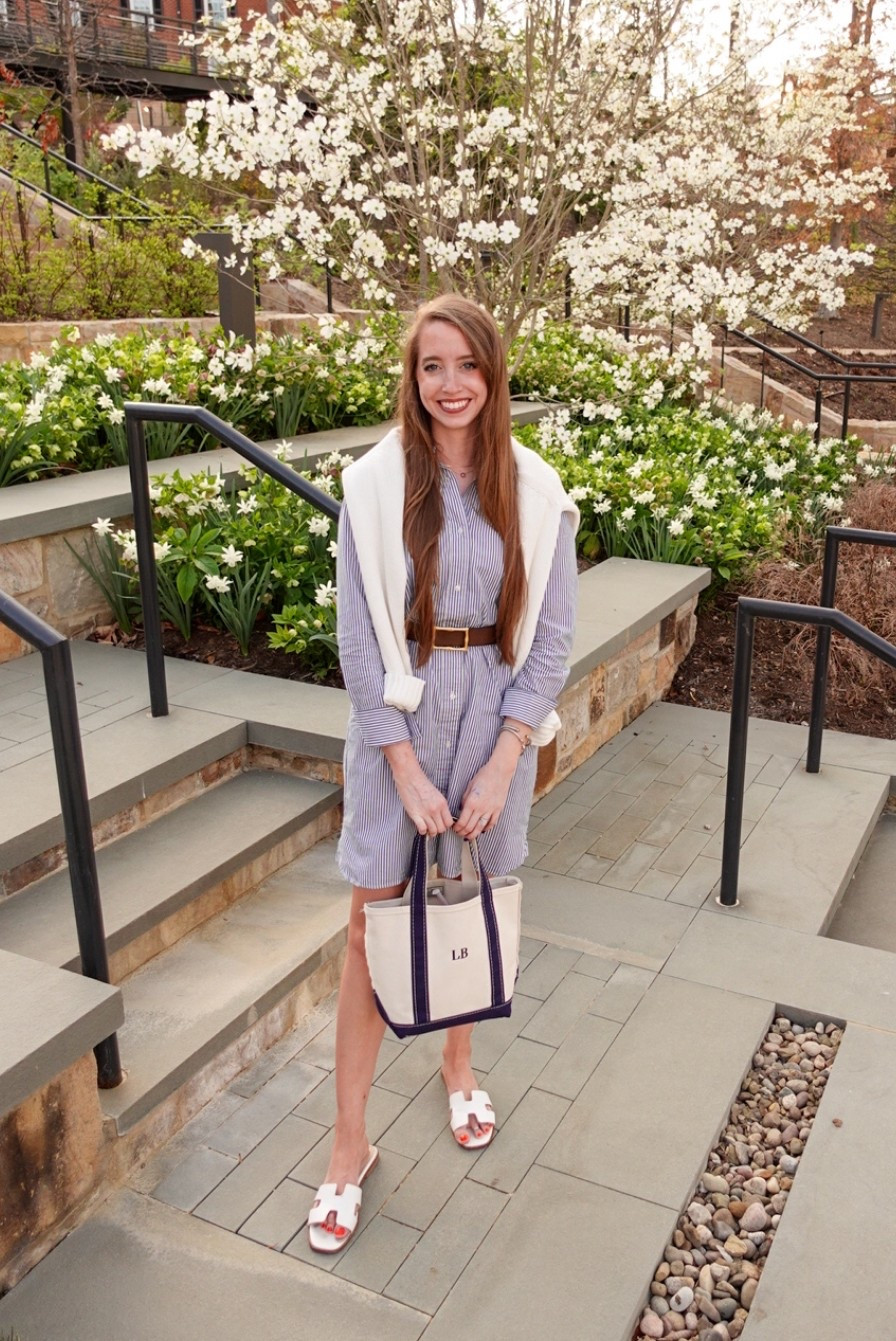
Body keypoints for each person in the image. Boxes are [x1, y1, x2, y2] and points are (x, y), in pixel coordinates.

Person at [307, 294, 579, 1253]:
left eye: (467, 364)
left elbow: (549, 641)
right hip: (400, 731)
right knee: (366, 931)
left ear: (492, 373)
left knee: (471, 905)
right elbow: (352, 637)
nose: (451, 384)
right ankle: (349, 1146)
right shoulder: (377, 487)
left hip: (495, 728)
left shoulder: (537, 491)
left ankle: (458, 1067)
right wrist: (405, 768)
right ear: (412, 377)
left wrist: (509, 758)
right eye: (433, 366)